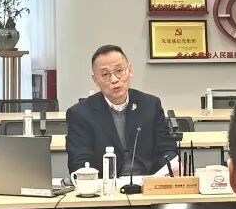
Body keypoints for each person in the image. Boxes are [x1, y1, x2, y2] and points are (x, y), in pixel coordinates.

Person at [65, 45, 177, 176]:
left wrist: (164, 173)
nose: (114, 80)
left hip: (149, 182)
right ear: (95, 80)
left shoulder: (150, 105)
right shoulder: (80, 114)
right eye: (105, 74)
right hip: (105, 185)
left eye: (119, 71)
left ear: (130, 70)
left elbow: (168, 149)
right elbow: (78, 161)